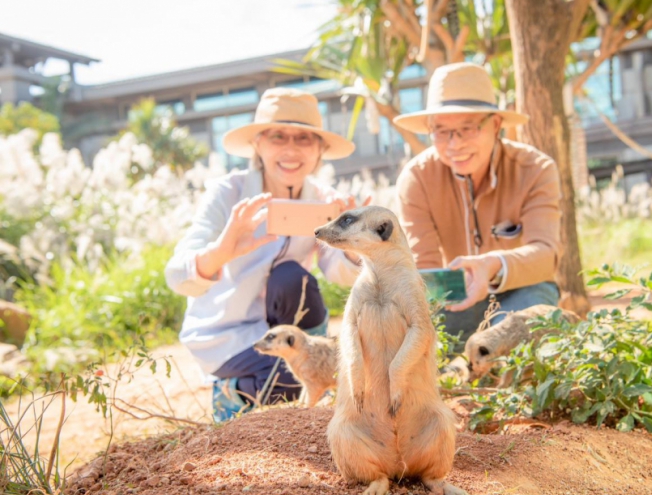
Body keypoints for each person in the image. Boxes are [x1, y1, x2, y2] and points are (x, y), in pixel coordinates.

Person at [165, 88, 362, 422]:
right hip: (227, 333)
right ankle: (235, 389)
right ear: (258, 144)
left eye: (304, 139)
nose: (290, 149)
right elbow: (176, 276)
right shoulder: (228, 193)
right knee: (290, 383)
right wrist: (222, 251)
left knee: (293, 278)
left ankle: (261, 385)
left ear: (319, 150)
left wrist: (354, 245)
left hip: (290, 329)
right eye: (277, 136)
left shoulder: (325, 201)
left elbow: (338, 273)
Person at [394, 62, 562, 342]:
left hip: (523, 289)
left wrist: (494, 264)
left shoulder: (535, 168)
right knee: (412, 335)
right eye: (441, 131)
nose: (454, 144)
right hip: (455, 296)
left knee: (533, 318)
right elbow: (424, 267)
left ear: (495, 125)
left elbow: (546, 255)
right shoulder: (416, 178)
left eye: (468, 128)